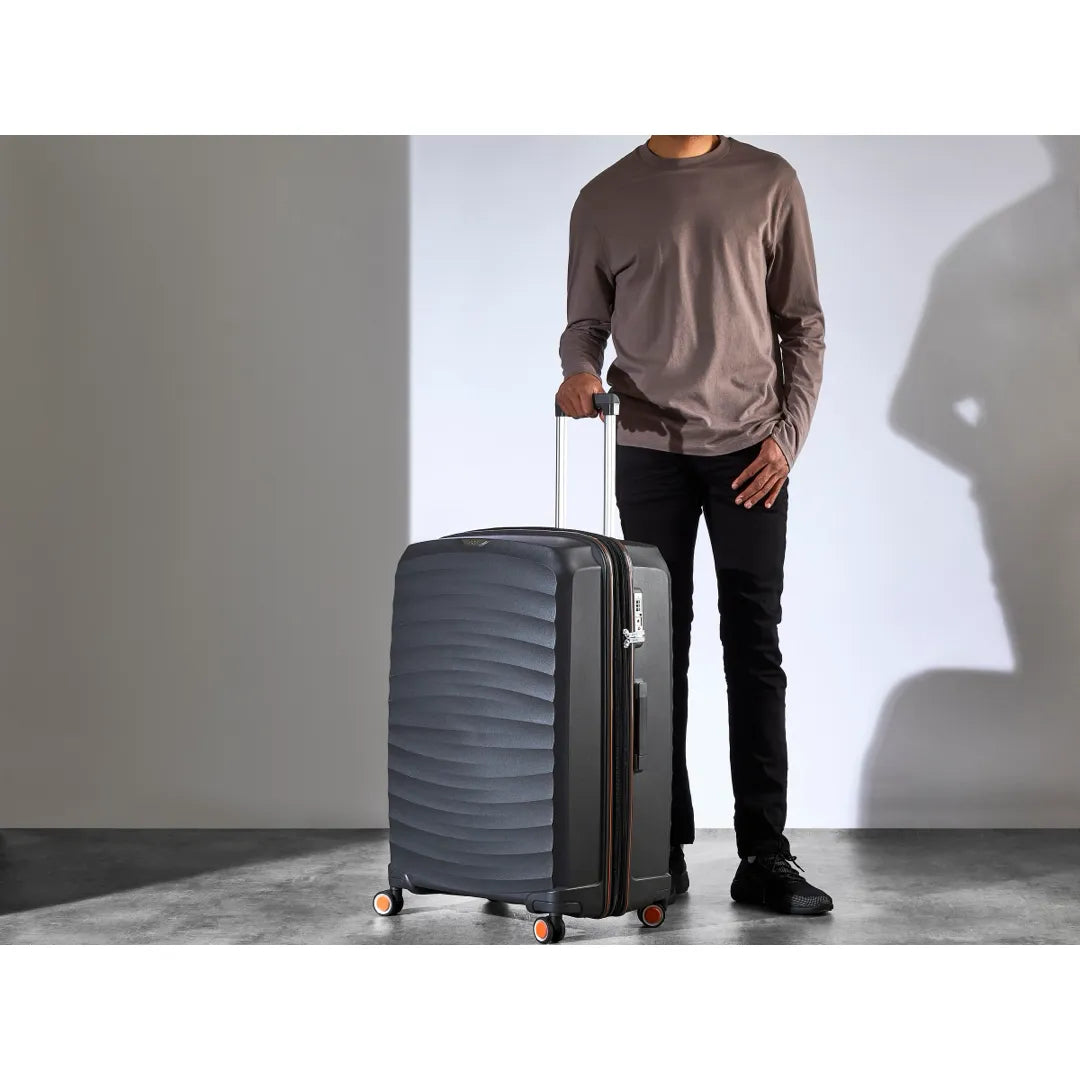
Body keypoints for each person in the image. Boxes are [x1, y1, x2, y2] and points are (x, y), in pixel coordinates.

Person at [555, 135, 833, 915]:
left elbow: (802, 323)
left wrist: (788, 439)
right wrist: (578, 370)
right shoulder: (604, 196)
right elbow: (585, 323)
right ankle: (657, 848)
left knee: (753, 646)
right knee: (649, 653)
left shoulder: (769, 181)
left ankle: (764, 854)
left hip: (751, 453)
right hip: (649, 452)